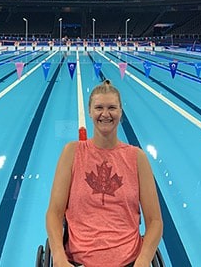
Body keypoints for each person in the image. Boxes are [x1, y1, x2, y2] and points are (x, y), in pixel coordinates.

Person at [46, 80, 163, 267]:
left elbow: (155, 220)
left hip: (129, 261)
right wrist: (59, 257)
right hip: (78, 261)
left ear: (120, 112)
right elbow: (54, 212)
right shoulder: (72, 152)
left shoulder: (137, 157)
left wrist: (143, 259)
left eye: (112, 108)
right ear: (90, 112)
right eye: (99, 107)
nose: (105, 114)